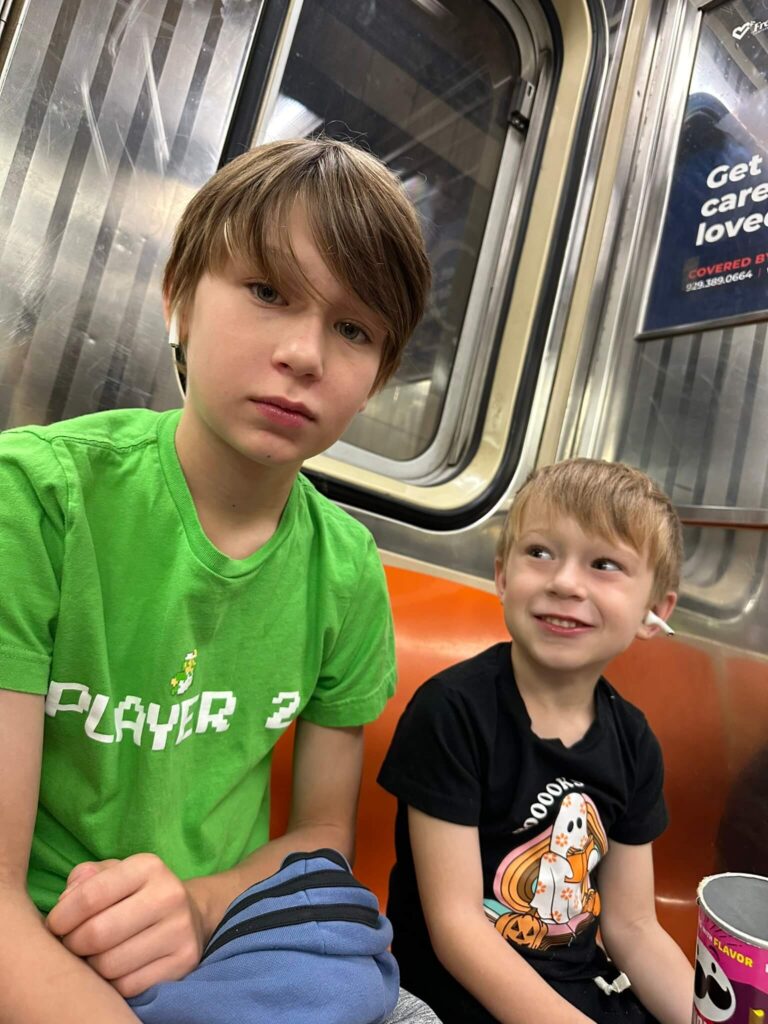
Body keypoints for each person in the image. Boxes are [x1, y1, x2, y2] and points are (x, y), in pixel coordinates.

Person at [0, 137, 435, 1023]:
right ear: (178, 299)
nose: (305, 353)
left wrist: (200, 905)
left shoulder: (346, 572)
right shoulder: (39, 499)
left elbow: (319, 840)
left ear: (376, 377)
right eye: (268, 292)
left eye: (353, 329)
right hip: (40, 935)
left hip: (225, 938)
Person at [378, 459, 696, 1024]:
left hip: (580, 988)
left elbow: (634, 926)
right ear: (502, 576)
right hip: (453, 995)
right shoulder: (453, 713)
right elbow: (457, 927)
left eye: (604, 564)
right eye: (540, 553)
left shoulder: (634, 742)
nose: (565, 582)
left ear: (655, 613)